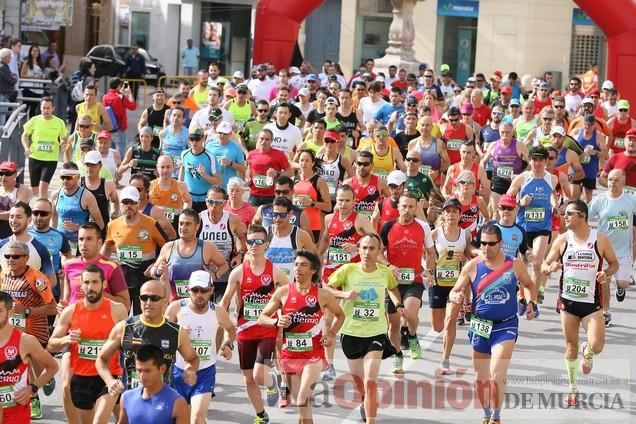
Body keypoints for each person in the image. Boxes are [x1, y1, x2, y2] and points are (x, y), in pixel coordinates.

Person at [449, 224, 535, 424]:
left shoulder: (513, 265)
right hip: (480, 326)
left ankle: (497, 417)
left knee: (497, 372)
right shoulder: (472, 266)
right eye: (483, 244)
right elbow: (456, 289)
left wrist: (531, 301)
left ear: (501, 243)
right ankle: (487, 415)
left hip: (505, 325)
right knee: (481, 379)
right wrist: (456, 295)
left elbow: (529, 285)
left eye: (491, 244)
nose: (487, 248)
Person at [541, 200, 617, 407]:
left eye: (569, 214)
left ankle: (589, 352)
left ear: (582, 215)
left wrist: (606, 273)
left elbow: (614, 263)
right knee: (570, 347)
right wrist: (550, 268)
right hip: (567, 302)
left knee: (597, 345)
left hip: (591, 303)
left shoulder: (599, 240)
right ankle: (572, 388)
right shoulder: (563, 240)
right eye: (564, 213)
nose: (565, 217)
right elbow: (544, 265)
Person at [258, 249, 344, 424]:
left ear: (313, 270)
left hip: (313, 355)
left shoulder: (323, 295)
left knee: (303, 398)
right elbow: (262, 317)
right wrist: (277, 322)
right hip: (289, 355)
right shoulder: (283, 292)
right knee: (301, 406)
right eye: (296, 264)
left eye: (303, 265)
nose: (297, 268)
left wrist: (331, 333)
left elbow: (340, 315)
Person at [327, 233, 402, 423]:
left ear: (379, 251)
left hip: (375, 333)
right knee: (361, 384)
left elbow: (393, 288)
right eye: (364, 248)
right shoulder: (347, 270)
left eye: (372, 248)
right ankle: (364, 400)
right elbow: (326, 288)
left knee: (370, 381)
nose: (367, 252)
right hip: (351, 332)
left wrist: (398, 304)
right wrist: (343, 294)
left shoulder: (384, 272)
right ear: (358, 249)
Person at [222, 225, 289, 421]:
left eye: (259, 241)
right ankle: (261, 415)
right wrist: (225, 330)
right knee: (248, 378)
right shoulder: (238, 272)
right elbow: (224, 303)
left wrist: (283, 321)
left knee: (259, 376)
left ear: (267, 244)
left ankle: (270, 383)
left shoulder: (275, 271)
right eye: (250, 241)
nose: (254, 245)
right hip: (244, 329)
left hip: (267, 328)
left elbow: (290, 296)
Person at [48, 265, 128, 424]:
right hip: (82, 377)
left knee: (99, 421)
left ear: (103, 285)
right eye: (86, 282)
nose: (90, 287)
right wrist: (66, 339)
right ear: (81, 285)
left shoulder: (117, 310)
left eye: (95, 282)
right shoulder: (71, 311)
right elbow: (51, 344)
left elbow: (129, 341)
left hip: (108, 375)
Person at [96, 280, 199, 395]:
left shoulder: (176, 332)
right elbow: (101, 359)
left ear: (165, 301)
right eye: (144, 298)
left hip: (163, 399)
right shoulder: (124, 328)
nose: (148, 303)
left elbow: (193, 358)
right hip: (131, 401)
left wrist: (190, 370)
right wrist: (110, 381)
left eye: (154, 298)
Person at [165, 270, 235, 424]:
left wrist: (228, 344)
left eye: (203, 290)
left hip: (205, 371)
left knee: (197, 418)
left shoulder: (217, 311)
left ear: (211, 290)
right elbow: (163, 335)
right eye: (195, 290)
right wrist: (177, 334)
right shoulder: (176, 308)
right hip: (179, 371)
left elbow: (230, 329)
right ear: (188, 290)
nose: (199, 295)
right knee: (182, 419)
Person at [0, 240, 58, 419]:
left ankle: (45, 379)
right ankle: (34, 401)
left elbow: (53, 308)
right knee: (22, 371)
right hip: (11, 332)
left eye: (15, 256)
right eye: (7, 256)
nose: (10, 259)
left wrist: (26, 311)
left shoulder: (37, 278)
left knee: (36, 370)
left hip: (35, 331)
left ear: (26, 258)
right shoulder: (3, 276)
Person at [380, 193, 435, 373]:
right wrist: (388, 265)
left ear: (416, 207)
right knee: (393, 325)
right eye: (404, 206)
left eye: (411, 207)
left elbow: (430, 252)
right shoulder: (388, 226)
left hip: (414, 278)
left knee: (410, 314)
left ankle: (411, 336)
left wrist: (430, 271)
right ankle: (397, 355)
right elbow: (378, 252)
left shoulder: (423, 227)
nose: (407, 210)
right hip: (392, 282)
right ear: (398, 207)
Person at [101, 186, 168, 314]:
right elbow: (107, 247)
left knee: (141, 318)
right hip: (122, 279)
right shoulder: (112, 225)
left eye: (132, 202)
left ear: (138, 204)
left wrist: (156, 264)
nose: (129, 206)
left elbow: (167, 248)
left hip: (144, 278)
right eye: (125, 202)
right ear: (120, 204)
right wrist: (98, 268)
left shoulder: (151, 224)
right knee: (119, 317)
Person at [507, 145, 557, 306]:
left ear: (546, 161)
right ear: (529, 161)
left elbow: (553, 197)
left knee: (536, 263)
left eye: (540, 160)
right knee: (523, 263)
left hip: (543, 227)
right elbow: (507, 199)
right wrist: (520, 202)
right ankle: (522, 296)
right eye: (534, 159)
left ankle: (532, 301)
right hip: (524, 227)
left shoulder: (552, 178)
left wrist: (555, 205)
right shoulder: (522, 178)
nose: (537, 163)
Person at [0, 290, 59, 423]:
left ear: (10, 313)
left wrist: (33, 388)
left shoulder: (25, 341)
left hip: (16, 414)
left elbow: (52, 367)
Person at [588, 169, 636, 326]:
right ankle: (605, 312)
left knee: (623, 283)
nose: (611, 183)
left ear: (623, 182)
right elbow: (584, 215)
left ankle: (620, 288)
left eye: (615, 180)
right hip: (605, 251)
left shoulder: (631, 199)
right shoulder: (600, 200)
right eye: (609, 179)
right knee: (604, 282)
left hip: (623, 252)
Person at [431, 198, 473, 375]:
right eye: (448, 211)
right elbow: (425, 255)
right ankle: (445, 354)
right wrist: (427, 268)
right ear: (443, 214)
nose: (451, 215)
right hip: (437, 283)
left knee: (450, 322)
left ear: (459, 214)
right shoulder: (434, 234)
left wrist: (463, 259)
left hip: (456, 284)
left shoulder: (466, 235)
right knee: (438, 327)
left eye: (454, 211)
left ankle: (445, 360)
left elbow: (469, 256)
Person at [118, 344, 189, 424]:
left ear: (162, 369)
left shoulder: (177, 403)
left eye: (147, 371)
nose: (142, 376)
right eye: (139, 370)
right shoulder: (126, 398)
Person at [198, 187, 244, 299]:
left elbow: (241, 238)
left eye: (218, 202)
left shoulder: (232, 219)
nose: (213, 206)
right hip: (203, 272)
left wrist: (240, 254)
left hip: (224, 272)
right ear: (206, 202)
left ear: (224, 204)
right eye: (210, 201)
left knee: (221, 310)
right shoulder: (199, 219)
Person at [51, 162, 105, 253]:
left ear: (78, 177)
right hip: (61, 243)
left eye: (69, 178)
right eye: (62, 177)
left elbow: (100, 224)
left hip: (80, 245)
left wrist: (79, 227)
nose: (65, 181)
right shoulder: (55, 195)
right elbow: (54, 216)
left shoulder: (87, 196)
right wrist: (53, 235)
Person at [0, 202, 56, 287]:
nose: (14, 221)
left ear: (29, 220)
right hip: (5, 299)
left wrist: (34, 294)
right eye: (11, 217)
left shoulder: (40, 248)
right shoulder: (1, 245)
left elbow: (52, 281)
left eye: (19, 217)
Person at [28, 198, 73, 303]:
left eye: (43, 214)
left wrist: (64, 268)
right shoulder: (23, 234)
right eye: (35, 213)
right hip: (26, 290)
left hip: (51, 290)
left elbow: (67, 256)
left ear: (51, 214)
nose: (39, 217)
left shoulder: (60, 236)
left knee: (48, 319)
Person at [21, 97, 68, 198]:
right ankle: (41, 206)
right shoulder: (34, 120)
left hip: (50, 159)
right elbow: (24, 135)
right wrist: (26, 147)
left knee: (43, 186)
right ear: (40, 108)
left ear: (53, 108)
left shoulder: (59, 122)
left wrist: (63, 144)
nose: (45, 110)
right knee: (35, 189)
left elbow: (64, 138)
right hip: (35, 157)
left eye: (48, 108)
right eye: (43, 108)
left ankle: (43, 211)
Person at [246, 129, 294, 207]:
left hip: (271, 195)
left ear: (272, 141)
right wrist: (248, 178)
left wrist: (277, 174)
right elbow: (249, 168)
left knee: (270, 218)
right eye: (261, 138)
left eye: (267, 139)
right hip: (254, 194)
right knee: (254, 218)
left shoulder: (279, 154)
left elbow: (290, 172)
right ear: (258, 139)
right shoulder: (251, 154)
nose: (264, 142)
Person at [180, 127, 222, 212]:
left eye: (197, 139)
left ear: (203, 138)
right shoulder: (184, 154)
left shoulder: (210, 157)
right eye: (191, 139)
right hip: (188, 199)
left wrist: (204, 175)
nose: (194, 142)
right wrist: (179, 187)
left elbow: (218, 181)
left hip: (205, 201)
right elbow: (183, 169)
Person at [569, 114, 608, 203]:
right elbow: (566, 144)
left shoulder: (598, 136)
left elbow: (605, 154)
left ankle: (586, 215)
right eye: (586, 125)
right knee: (574, 195)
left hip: (590, 169)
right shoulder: (576, 132)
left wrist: (593, 152)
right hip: (576, 168)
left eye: (590, 126)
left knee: (588, 197)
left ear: (594, 125)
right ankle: (574, 213)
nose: (587, 128)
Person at [149, 155, 192, 233]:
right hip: (154, 227)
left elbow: (187, 201)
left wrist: (185, 213)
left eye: (168, 167)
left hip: (174, 227)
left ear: (173, 167)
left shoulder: (181, 185)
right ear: (157, 167)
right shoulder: (150, 186)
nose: (165, 170)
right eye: (162, 167)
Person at [81, 150, 120, 236]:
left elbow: (115, 200)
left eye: (93, 165)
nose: (89, 168)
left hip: (101, 230)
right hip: (82, 232)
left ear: (100, 165)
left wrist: (115, 212)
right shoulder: (78, 183)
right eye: (87, 164)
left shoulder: (108, 185)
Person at [342, 151, 390, 219]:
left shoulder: (381, 183)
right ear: (355, 164)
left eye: (366, 164)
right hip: (354, 225)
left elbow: (391, 203)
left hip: (373, 226)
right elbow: (339, 207)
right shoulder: (348, 183)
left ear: (372, 165)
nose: (362, 167)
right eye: (359, 163)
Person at [130, 173, 177, 241]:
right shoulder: (125, 207)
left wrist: (149, 239)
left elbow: (172, 235)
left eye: (138, 189)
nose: (134, 191)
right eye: (131, 188)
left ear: (146, 190)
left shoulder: (154, 212)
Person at [205, 120, 247, 188]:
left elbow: (243, 169)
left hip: (228, 188)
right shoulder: (209, 146)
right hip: (212, 188)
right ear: (216, 132)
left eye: (225, 133)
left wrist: (230, 163)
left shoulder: (236, 147)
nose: (222, 135)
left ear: (230, 134)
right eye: (220, 133)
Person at [102, 78, 137, 157]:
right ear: (118, 86)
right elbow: (133, 106)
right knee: (119, 156)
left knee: (109, 155)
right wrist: (130, 93)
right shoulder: (121, 97)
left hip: (109, 129)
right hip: (120, 129)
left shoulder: (105, 97)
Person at [0, 161, 30, 239]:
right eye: (1, 173)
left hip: (14, 235)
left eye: (8, 174)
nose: (3, 177)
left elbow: (16, 214)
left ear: (15, 174)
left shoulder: (22, 189)